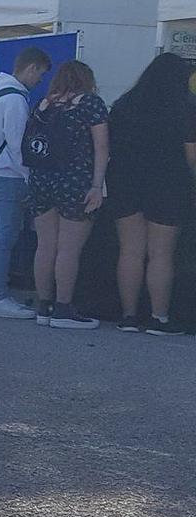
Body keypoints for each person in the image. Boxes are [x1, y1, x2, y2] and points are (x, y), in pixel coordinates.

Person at [106, 53, 196, 334]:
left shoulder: (124, 104)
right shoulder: (185, 106)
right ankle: (159, 317)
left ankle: (129, 315)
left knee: (130, 250)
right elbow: (191, 155)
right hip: (169, 183)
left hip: (125, 182)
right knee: (161, 254)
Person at [26, 58, 110, 330]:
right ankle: (63, 307)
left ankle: (44, 305)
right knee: (69, 248)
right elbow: (101, 145)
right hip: (75, 181)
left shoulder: (44, 103)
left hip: (41, 180)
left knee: (45, 245)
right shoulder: (90, 103)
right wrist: (97, 185)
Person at [0, 46, 50, 319]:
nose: (39, 81)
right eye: (40, 75)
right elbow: (20, 146)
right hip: (11, 174)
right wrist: (30, 178)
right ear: (31, 68)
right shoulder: (16, 100)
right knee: (5, 235)